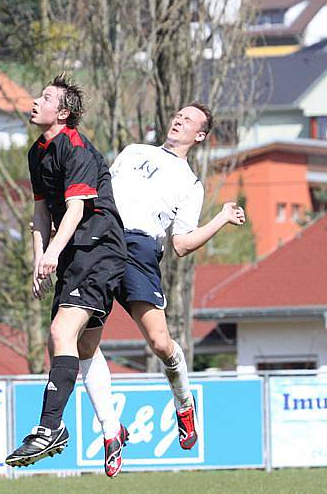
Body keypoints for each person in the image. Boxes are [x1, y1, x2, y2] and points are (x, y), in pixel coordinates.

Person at [77, 103, 245, 465]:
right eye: (178, 115)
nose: (178, 120)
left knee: (159, 342)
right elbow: (99, 192)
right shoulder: (135, 151)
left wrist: (221, 219)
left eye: (188, 120)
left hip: (140, 248)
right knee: (82, 340)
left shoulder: (190, 183)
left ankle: (184, 403)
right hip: (104, 239)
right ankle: (110, 429)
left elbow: (181, 245)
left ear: (199, 136)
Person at [5, 73, 128, 477]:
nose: (35, 101)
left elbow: (75, 211)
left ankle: (50, 428)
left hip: (99, 249)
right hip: (74, 251)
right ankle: (113, 429)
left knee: (60, 334)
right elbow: (41, 214)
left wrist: (53, 253)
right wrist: (40, 259)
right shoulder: (36, 153)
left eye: (45, 97)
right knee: (80, 348)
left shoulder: (75, 146)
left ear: (63, 112)